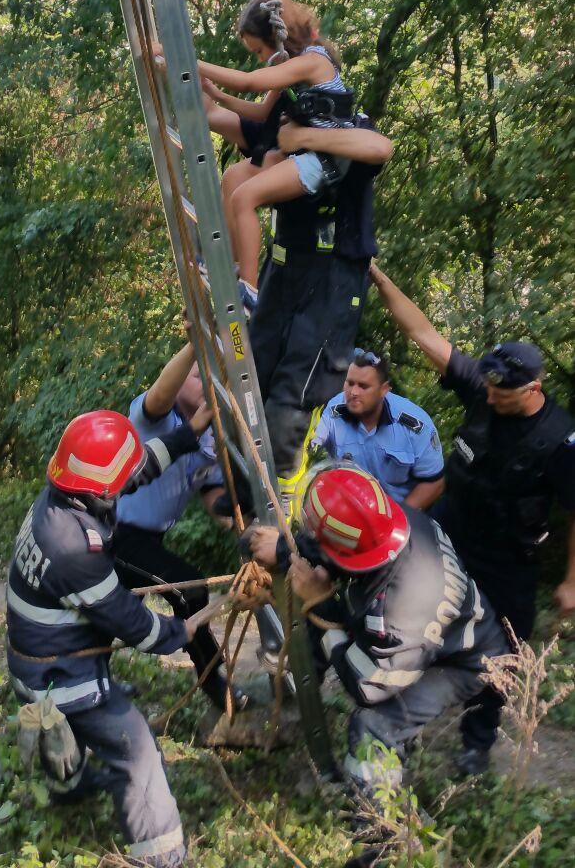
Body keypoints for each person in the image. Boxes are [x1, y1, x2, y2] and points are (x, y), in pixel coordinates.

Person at [370, 263, 575, 772]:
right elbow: (423, 334)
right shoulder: (482, 390)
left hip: (507, 556)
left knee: (504, 648)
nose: (491, 393)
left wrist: (572, 580)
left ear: (533, 388)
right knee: (411, 616)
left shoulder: (558, 440)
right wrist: (379, 277)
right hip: (451, 531)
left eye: (504, 390)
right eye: (490, 385)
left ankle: (477, 741)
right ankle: (401, 718)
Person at [7, 407, 210, 868]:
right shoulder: (72, 548)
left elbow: (136, 469)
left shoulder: (64, 497)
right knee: (136, 750)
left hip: (36, 659)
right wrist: (180, 631)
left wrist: (188, 434)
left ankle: (68, 787)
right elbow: (131, 622)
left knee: (67, 731)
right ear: (101, 491)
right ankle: (161, 856)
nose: (126, 483)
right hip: (59, 676)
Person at [250, 466, 507, 798]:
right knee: (324, 608)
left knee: (373, 726)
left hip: (462, 661)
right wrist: (285, 550)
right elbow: (339, 546)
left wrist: (323, 603)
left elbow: (366, 686)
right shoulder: (394, 521)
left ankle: (376, 817)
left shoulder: (400, 613)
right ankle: (297, 683)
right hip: (429, 633)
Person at [159, 0, 351, 306]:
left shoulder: (312, 62)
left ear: (277, 38)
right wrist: (218, 95)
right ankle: (233, 264)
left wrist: (186, 60)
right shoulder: (291, 65)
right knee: (234, 178)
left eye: (259, 50)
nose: (260, 58)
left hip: (325, 159)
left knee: (245, 197)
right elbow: (261, 113)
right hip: (301, 151)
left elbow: (249, 81)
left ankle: (249, 287)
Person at [246, 117, 393, 484]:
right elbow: (239, 131)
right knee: (254, 372)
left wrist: (305, 137)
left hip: (335, 276)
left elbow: (380, 148)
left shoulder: (348, 125)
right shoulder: (283, 115)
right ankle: (243, 482)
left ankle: (279, 492)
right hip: (286, 267)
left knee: (295, 390)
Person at [114, 339, 246, 712]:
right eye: (197, 376)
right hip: (115, 534)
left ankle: (95, 681)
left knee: (110, 613)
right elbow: (159, 395)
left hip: (150, 540)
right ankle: (213, 681)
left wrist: (235, 523)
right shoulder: (154, 418)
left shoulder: (209, 438)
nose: (206, 384)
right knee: (190, 590)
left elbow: (211, 491)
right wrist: (194, 342)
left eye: (212, 378)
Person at [307, 348, 445, 509]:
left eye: (363, 386)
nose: (353, 392)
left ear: (383, 390)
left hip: (399, 511)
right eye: (350, 383)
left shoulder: (414, 426)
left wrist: (397, 518)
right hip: (347, 507)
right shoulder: (334, 411)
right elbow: (306, 445)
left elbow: (434, 482)